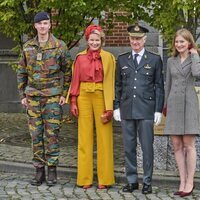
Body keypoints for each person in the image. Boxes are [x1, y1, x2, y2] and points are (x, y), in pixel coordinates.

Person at [17, 11, 71, 186]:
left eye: (45, 23)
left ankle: (52, 170)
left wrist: (64, 93)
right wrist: (22, 95)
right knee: (35, 135)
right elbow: (21, 72)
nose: (42, 27)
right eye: (39, 24)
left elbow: (68, 71)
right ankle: (39, 170)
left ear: (50, 25)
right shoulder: (28, 47)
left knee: (52, 134)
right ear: (35, 26)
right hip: (32, 97)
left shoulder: (59, 46)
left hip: (52, 98)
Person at [114, 23, 164, 194]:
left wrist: (158, 109)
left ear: (144, 40)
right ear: (129, 39)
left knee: (147, 147)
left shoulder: (154, 59)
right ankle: (132, 180)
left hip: (146, 109)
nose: (135, 42)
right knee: (128, 147)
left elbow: (159, 86)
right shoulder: (122, 59)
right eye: (132, 38)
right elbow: (118, 85)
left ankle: (147, 181)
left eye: (138, 39)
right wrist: (116, 107)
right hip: (127, 108)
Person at [68, 24, 115, 189]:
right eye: (91, 40)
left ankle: (105, 179)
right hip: (84, 96)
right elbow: (75, 80)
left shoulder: (109, 57)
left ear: (101, 40)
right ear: (87, 40)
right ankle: (84, 178)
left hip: (101, 95)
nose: (94, 43)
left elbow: (111, 82)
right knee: (84, 138)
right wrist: (73, 101)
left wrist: (110, 106)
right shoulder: (80, 58)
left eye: (97, 40)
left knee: (104, 138)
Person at [164, 28, 200, 197]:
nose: (179, 44)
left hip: (189, 104)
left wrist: (195, 55)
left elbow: (196, 73)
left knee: (189, 145)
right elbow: (168, 84)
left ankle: (190, 182)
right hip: (173, 104)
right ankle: (182, 180)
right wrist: (165, 105)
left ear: (189, 43)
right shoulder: (171, 61)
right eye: (177, 42)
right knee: (177, 145)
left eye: (182, 42)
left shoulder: (195, 58)